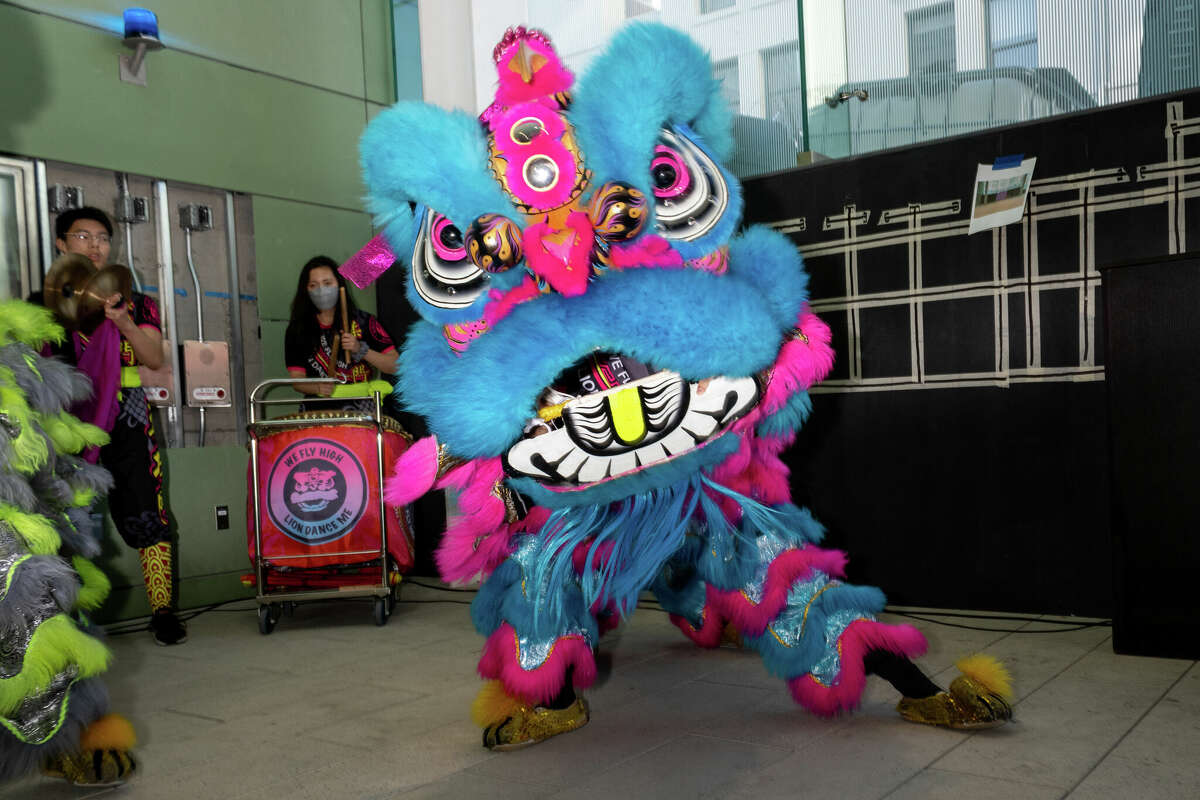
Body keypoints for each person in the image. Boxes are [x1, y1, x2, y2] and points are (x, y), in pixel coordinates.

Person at [50, 206, 186, 646]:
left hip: (128, 414)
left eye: (103, 238)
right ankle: (70, 620)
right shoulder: (47, 303)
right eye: (83, 236)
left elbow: (154, 359)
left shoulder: (134, 300)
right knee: (71, 517)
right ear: (62, 244)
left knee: (148, 508)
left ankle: (163, 611)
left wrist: (123, 320)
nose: (94, 245)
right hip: (71, 420)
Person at [284, 255, 398, 410]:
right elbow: (297, 380)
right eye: (313, 285)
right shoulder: (298, 329)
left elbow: (395, 365)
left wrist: (361, 350)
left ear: (339, 285)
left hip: (363, 405)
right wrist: (317, 387)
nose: (321, 290)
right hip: (318, 408)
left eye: (327, 283)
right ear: (306, 290)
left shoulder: (365, 321)